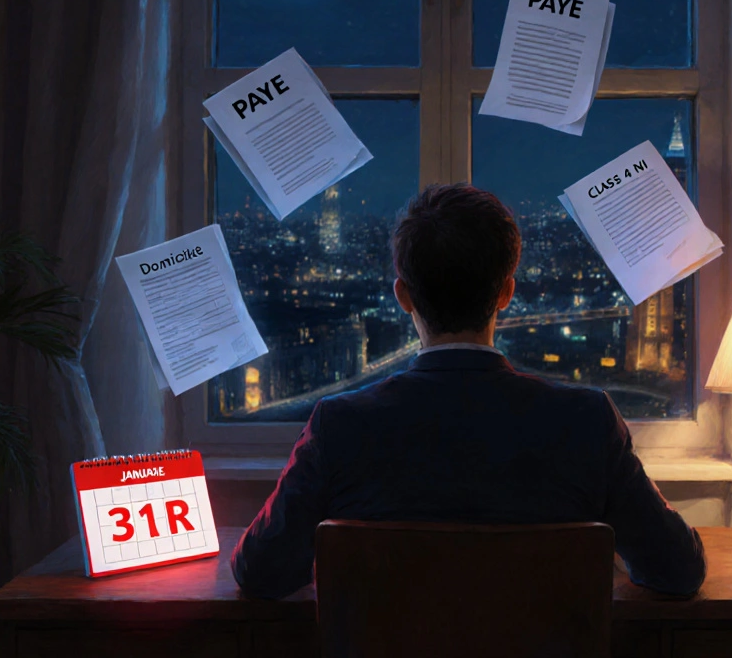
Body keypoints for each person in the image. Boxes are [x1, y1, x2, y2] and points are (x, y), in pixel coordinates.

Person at [232, 184, 706, 599]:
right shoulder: (586, 420)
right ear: (506, 293)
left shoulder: (340, 425)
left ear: (404, 296)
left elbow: (259, 572)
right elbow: (678, 570)